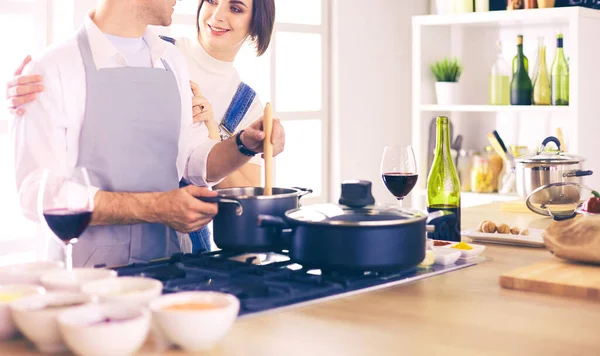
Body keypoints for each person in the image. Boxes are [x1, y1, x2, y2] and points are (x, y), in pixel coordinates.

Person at [10, 0, 285, 268]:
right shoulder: (53, 68)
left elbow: (191, 161)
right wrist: (157, 207)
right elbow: (37, 194)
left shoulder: (170, 61)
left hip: (168, 267)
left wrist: (244, 143)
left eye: (235, 7)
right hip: (83, 277)